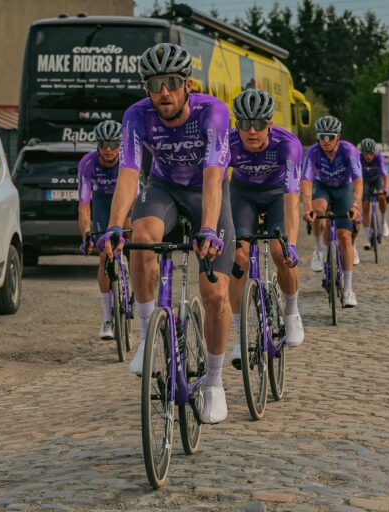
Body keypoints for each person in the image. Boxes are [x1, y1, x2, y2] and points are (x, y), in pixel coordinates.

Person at [97, 43, 235, 424]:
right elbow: (129, 172)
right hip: (164, 189)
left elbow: (213, 176)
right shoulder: (136, 116)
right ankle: (148, 336)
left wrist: (208, 229)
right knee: (140, 238)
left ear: (187, 84)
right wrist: (114, 225)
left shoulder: (213, 112)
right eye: (155, 84)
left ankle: (215, 382)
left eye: (172, 83)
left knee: (215, 292)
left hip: (207, 193)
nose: (164, 92)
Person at [226, 89, 304, 369]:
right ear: (237, 125)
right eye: (245, 124)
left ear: (270, 124)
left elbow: (292, 199)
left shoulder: (288, 145)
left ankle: (291, 310)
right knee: (239, 257)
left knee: (279, 252)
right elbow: (214, 185)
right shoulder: (228, 143)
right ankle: (240, 336)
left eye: (259, 124)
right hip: (243, 193)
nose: (252, 131)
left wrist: (290, 244)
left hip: (277, 194)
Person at [301, 115, 363, 307]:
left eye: (330, 136)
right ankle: (319, 250)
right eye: (322, 136)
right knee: (318, 210)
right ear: (317, 137)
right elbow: (306, 181)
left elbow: (358, 180)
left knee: (345, 237)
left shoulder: (349, 151)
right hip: (322, 186)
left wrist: (355, 206)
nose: (326, 140)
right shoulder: (313, 152)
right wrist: (307, 207)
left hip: (344, 187)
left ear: (338, 137)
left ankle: (348, 290)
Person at [78, 120, 127, 340]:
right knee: (103, 255)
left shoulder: (127, 159)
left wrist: (130, 228)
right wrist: (86, 235)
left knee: (135, 245)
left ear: (120, 145)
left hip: (126, 201)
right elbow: (84, 204)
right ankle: (107, 318)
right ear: (97, 145)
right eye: (103, 144)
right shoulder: (87, 163)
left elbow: (135, 197)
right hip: (102, 203)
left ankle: (133, 285)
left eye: (113, 144)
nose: (108, 149)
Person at [358, 138, 389, 252]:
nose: (368, 156)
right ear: (362, 153)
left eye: (371, 153)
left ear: (374, 152)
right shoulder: (358, 159)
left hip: (377, 179)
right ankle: (367, 238)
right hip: (365, 181)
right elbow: (355, 178)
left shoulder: (379, 158)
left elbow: (385, 176)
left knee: (381, 197)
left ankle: (383, 221)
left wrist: (386, 189)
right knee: (365, 205)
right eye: (366, 154)